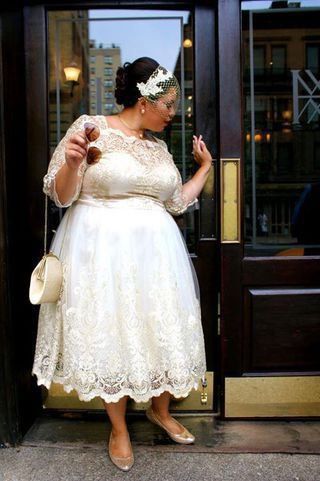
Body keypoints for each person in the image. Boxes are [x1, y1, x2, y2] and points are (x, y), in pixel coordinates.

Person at [32, 57, 212, 471]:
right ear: (144, 101)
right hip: (101, 252)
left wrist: (204, 168)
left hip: (158, 255)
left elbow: (177, 202)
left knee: (160, 326)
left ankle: (160, 410)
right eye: (168, 103)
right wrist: (74, 163)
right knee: (112, 330)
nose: (173, 112)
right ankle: (118, 427)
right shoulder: (91, 128)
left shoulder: (159, 147)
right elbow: (59, 195)